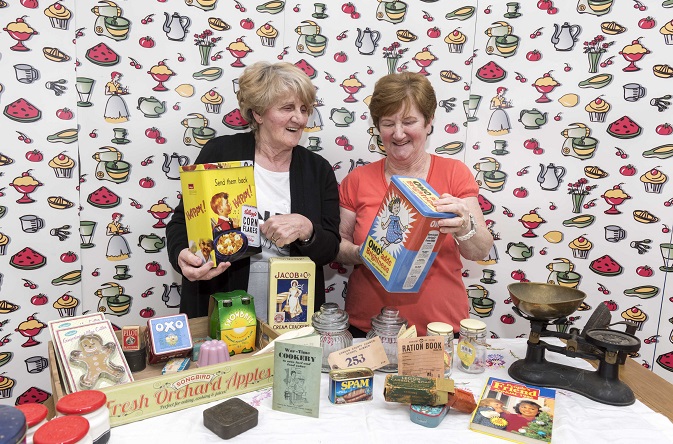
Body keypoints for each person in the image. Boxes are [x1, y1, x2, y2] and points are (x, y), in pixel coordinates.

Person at [167, 61, 340, 320]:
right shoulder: (221, 153)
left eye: (304, 109)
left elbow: (330, 249)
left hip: (292, 307)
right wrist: (182, 255)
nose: (300, 118)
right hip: (220, 296)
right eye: (287, 108)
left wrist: (308, 230)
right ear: (258, 113)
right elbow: (182, 223)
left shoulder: (318, 170)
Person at [336, 72, 493, 337]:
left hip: (439, 330)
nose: (398, 134)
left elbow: (479, 251)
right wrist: (363, 254)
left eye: (409, 122)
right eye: (388, 123)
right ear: (377, 127)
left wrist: (464, 225)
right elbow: (339, 246)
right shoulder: (357, 180)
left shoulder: (454, 173)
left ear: (429, 123)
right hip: (369, 328)